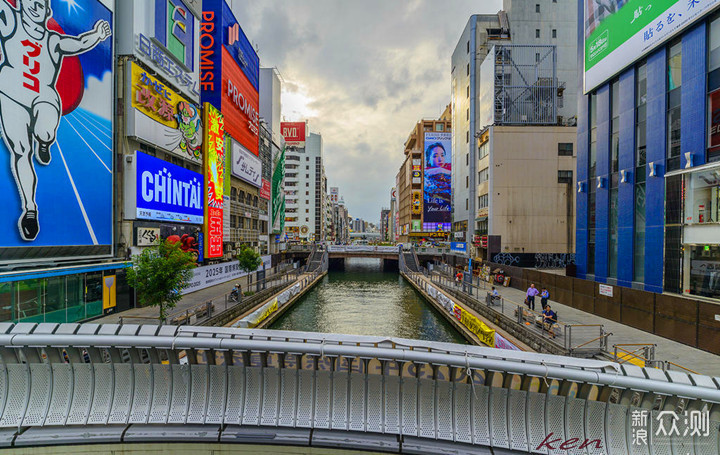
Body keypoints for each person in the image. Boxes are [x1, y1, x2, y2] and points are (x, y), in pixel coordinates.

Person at [0, 0, 111, 241]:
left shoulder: (52, 40)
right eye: (30, 2)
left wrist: (97, 35)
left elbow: (80, 43)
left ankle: (45, 141)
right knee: (20, 151)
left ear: (47, 10)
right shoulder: (10, 22)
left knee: (46, 128)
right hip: (10, 93)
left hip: (43, 95)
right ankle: (30, 210)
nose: (34, 7)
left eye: (40, 4)